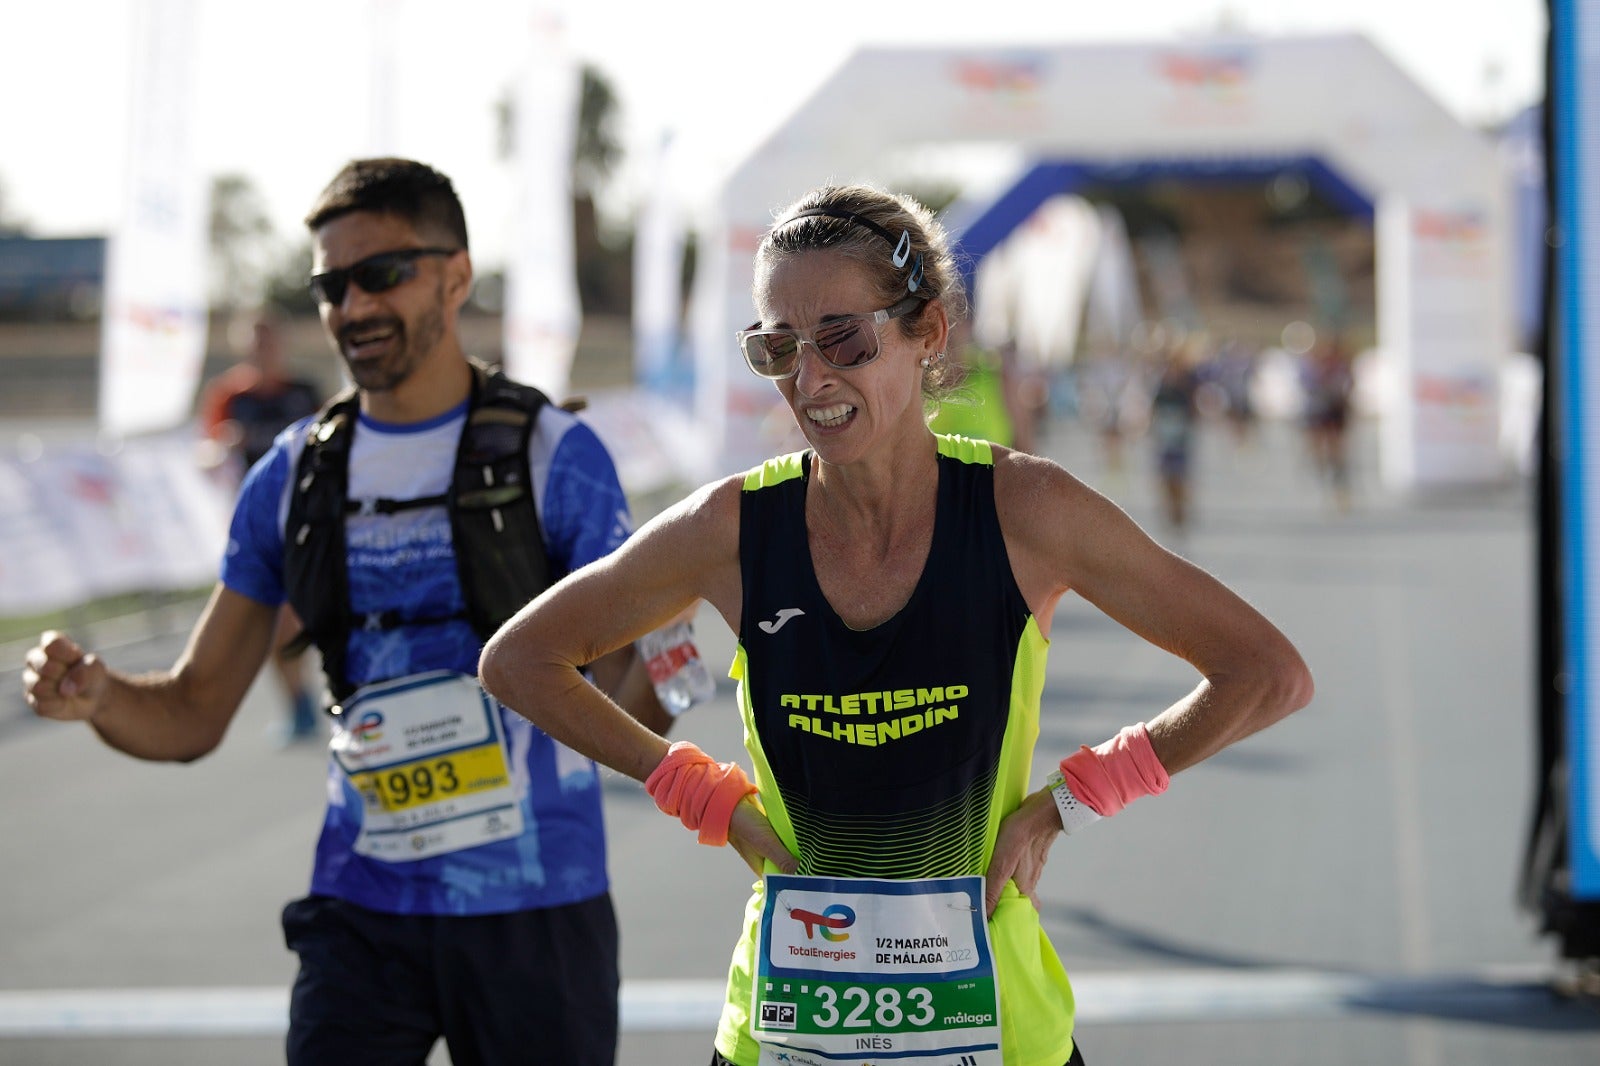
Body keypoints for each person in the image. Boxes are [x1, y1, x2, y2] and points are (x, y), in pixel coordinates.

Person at [478, 184, 1314, 1066]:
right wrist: (714, 802)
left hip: (996, 1024)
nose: (810, 379)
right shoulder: (734, 528)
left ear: (929, 333)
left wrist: (1065, 805)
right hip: (788, 1028)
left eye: (842, 336)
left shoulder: (1026, 511)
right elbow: (522, 659)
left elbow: (1266, 672)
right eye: (777, 346)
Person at [23, 157, 669, 1066]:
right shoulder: (291, 476)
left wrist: (658, 653)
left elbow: (642, 708)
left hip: (535, 908)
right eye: (331, 284)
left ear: (456, 274)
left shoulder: (555, 456)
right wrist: (97, 699)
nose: (353, 306)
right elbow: (191, 711)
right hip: (361, 914)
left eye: (384, 274)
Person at [197, 309, 325, 743]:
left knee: (318, 613)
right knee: (276, 624)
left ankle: (338, 691)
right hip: (259, 528)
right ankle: (300, 703)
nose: (262, 348)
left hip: (313, 521)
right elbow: (205, 457)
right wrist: (221, 446)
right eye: (254, 341)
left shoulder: (304, 392)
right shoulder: (229, 396)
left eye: (268, 339)